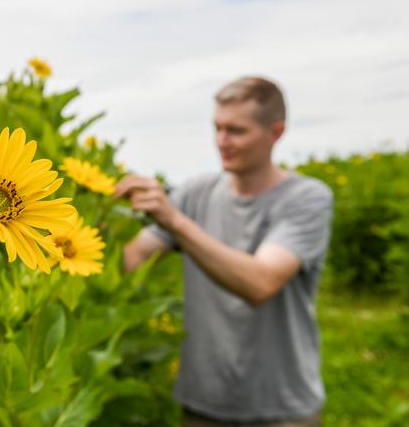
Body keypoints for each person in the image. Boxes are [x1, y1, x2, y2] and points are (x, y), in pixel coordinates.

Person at [116, 77, 333, 427]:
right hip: (204, 402)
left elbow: (261, 283)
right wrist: (94, 221)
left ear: (275, 133)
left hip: (282, 407)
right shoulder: (194, 192)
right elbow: (130, 260)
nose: (222, 142)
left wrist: (175, 221)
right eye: (217, 128)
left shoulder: (306, 198)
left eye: (236, 131)